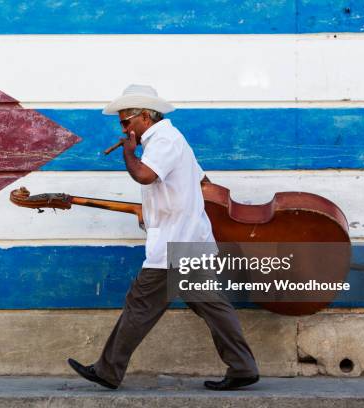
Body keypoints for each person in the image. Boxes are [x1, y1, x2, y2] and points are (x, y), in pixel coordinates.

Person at [67, 84, 259, 390]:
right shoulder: (173, 139)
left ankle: (107, 370)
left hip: (174, 244)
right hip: (189, 238)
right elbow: (202, 180)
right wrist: (164, 206)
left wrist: (129, 154)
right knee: (210, 303)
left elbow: (145, 175)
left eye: (125, 121)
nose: (123, 128)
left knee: (140, 304)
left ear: (145, 116)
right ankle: (243, 366)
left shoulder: (162, 140)